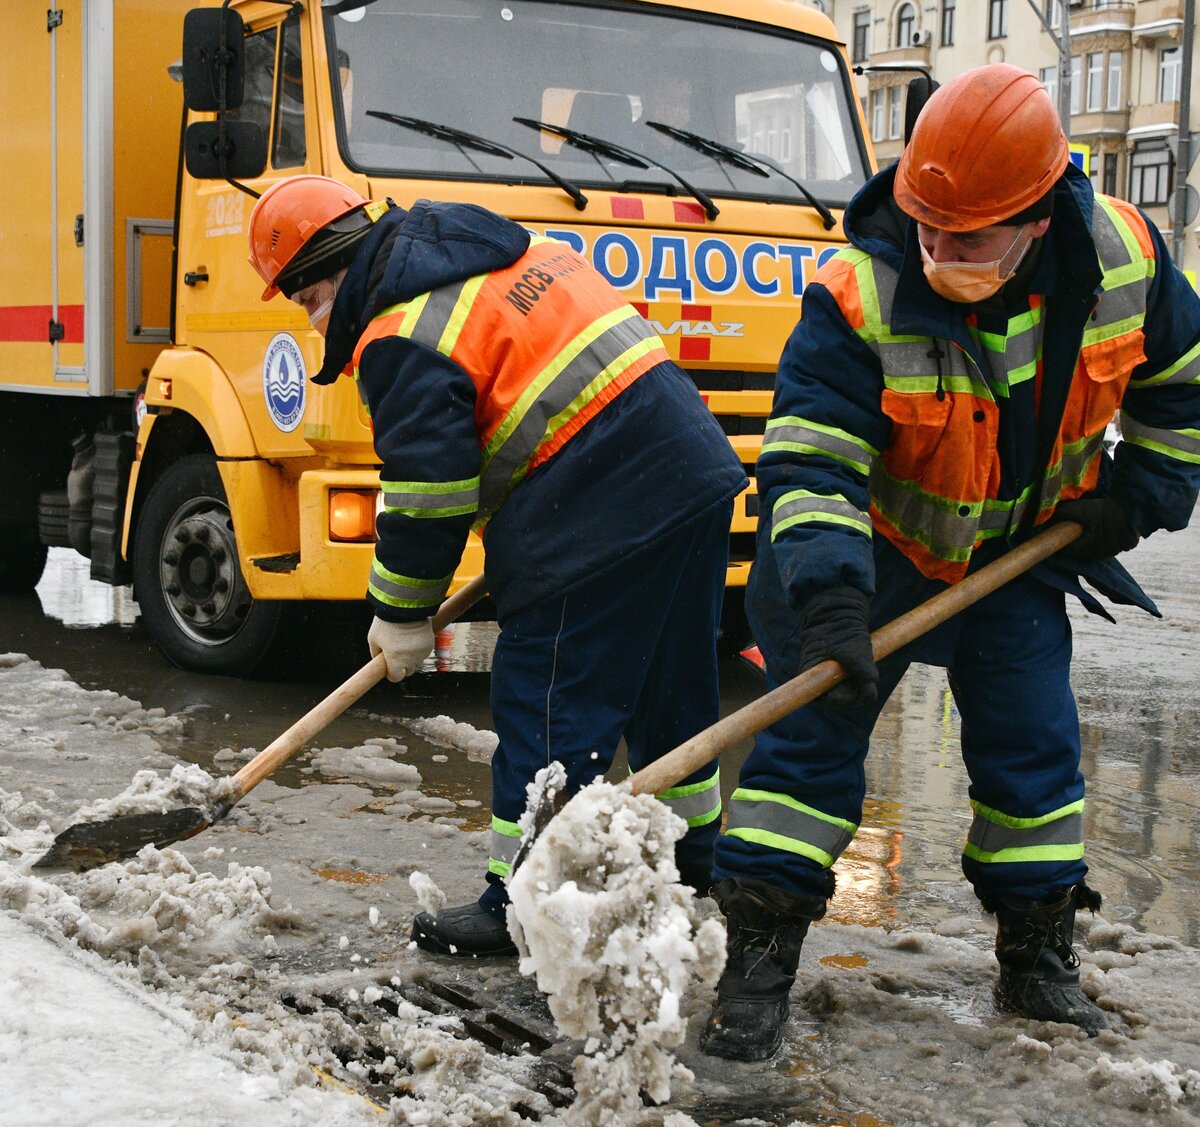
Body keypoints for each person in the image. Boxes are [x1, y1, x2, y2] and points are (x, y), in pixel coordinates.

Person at [701, 64, 1200, 1061]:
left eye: (965, 237)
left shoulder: (1126, 257)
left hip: (1014, 551)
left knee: (1034, 753)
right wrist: (832, 603)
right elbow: (812, 460)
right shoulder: (860, 293)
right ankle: (755, 973)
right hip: (862, 554)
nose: (938, 252)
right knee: (805, 759)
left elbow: (1182, 378)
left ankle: (1037, 961)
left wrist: (1140, 495)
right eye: (927, 227)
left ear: (1036, 219)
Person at [246, 176, 747, 956]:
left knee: (548, 708)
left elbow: (428, 496)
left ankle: (526, 907)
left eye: (304, 299)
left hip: (595, 507)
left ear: (334, 270)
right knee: (673, 696)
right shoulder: (499, 249)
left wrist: (400, 612)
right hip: (691, 474)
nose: (311, 322)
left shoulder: (400, 333)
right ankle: (689, 875)